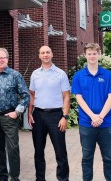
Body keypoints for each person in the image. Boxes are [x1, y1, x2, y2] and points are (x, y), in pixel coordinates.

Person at [71, 43, 111, 181]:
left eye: (94, 53)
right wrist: (93, 116)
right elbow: (79, 98)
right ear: (85, 55)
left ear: (99, 55)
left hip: (107, 124)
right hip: (87, 124)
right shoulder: (79, 76)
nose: (92, 56)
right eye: (89, 53)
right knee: (87, 158)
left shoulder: (107, 74)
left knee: (109, 159)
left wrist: (101, 117)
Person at [0, 47, 30, 181]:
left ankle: (14, 177)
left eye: (2, 58)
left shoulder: (15, 75)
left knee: (13, 149)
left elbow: (26, 96)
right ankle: (2, 177)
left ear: (7, 59)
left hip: (9, 117)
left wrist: (17, 112)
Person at [28, 46, 70, 181]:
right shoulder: (35, 74)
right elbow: (32, 95)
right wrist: (29, 113)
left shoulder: (60, 73)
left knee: (60, 152)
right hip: (38, 115)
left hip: (56, 116)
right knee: (38, 152)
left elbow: (66, 97)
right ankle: (40, 179)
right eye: (42, 53)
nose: (45, 55)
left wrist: (65, 116)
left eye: (47, 52)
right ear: (39, 56)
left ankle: (63, 179)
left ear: (52, 54)